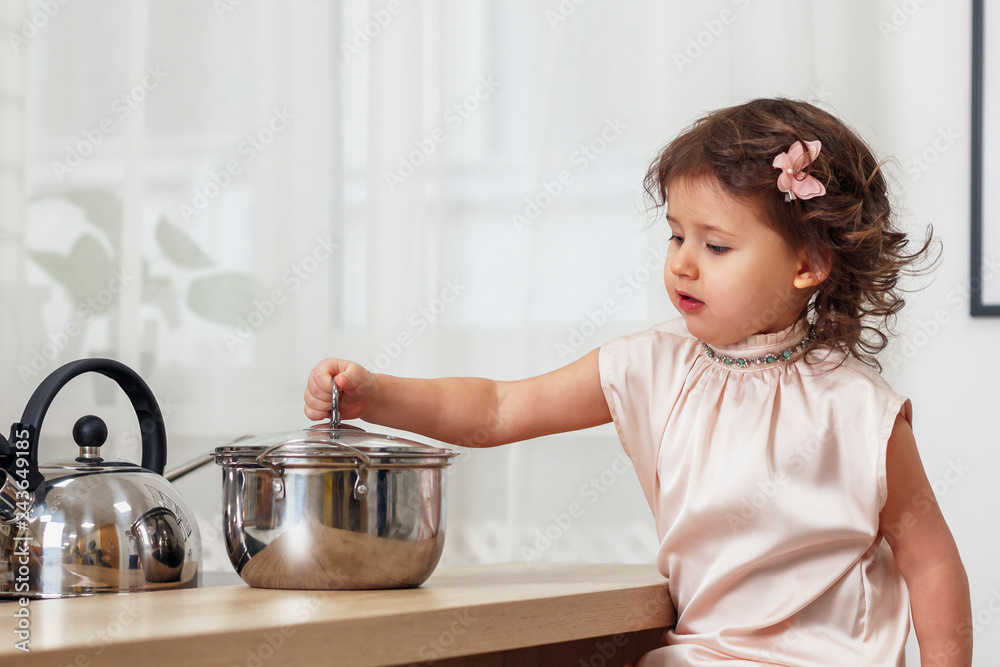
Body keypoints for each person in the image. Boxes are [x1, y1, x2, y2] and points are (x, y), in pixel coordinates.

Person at [304, 99, 972, 665]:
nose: (682, 263)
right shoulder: (650, 367)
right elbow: (501, 407)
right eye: (676, 236)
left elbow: (931, 561)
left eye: (715, 246)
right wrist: (379, 394)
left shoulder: (860, 411)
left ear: (809, 263)